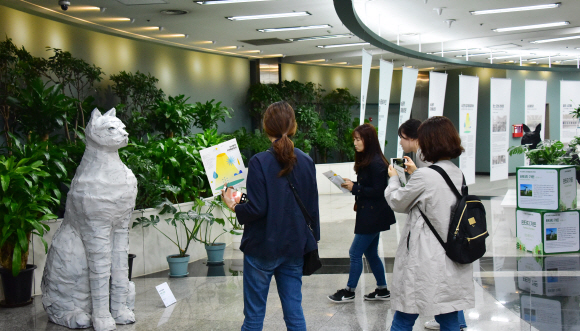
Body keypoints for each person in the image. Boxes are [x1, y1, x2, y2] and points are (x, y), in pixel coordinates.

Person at [221, 101, 320, 331]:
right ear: (293, 126)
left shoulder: (259, 161)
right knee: (294, 313)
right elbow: (312, 207)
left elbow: (257, 208)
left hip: (262, 247)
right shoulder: (306, 161)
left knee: (254, 317)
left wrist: (235, 206)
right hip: (295, 246)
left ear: (266, 127)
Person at [384, 116, 473, 331]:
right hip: (450, 253)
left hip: (424, 257)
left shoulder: (425, 176)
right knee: (449, 317)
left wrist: (394, 178)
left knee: (404, 316)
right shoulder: (456, 172)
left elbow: (397, 201)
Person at [328, 123, 397, 303]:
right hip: (371, 214)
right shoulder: (370, 159)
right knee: (371, 253)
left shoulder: (376, 162)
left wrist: (355, 188)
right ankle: (382, 290)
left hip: (373, 215)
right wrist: (353, 185)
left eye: (358, 139)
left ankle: (349, 291)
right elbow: (370, 186)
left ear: (369, 140)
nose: (355, 143)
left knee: (355, 252)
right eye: (354, 140)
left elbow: (378, 191)